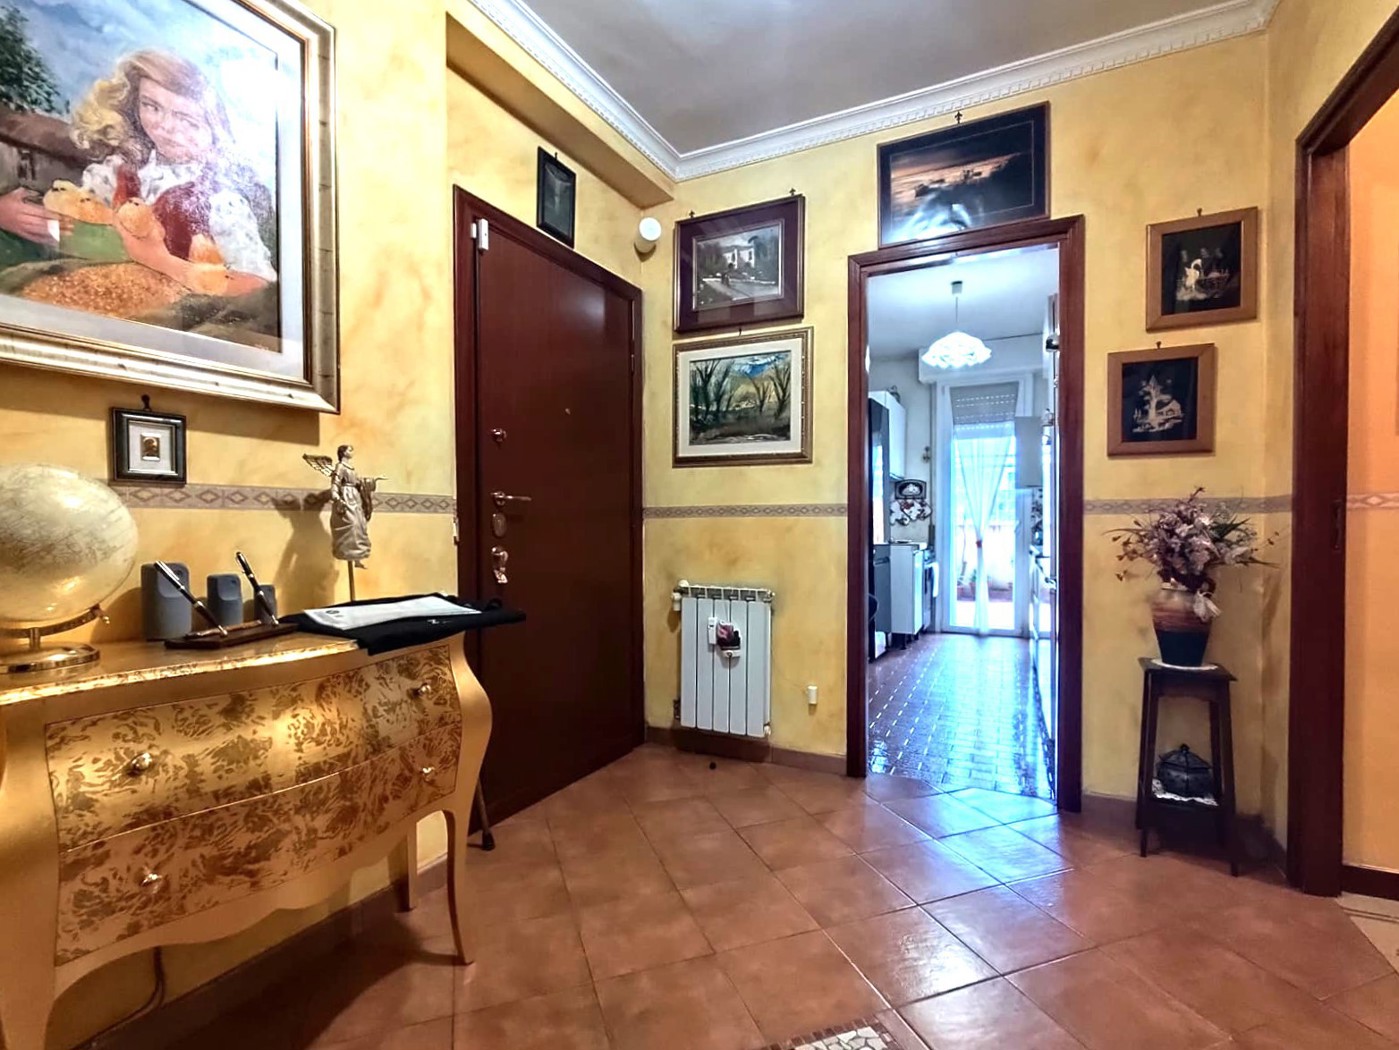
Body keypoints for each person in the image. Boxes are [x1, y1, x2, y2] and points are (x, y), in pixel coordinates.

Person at [0, 49, 275, 295]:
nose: (166, 126)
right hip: (99, 290)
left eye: (185, 119)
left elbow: (257, 284)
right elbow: (73, 232)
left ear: (213, 128)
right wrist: (9, 215)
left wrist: (161, 262)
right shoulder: (118, 171)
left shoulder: (221, 201)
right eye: (151, 107)